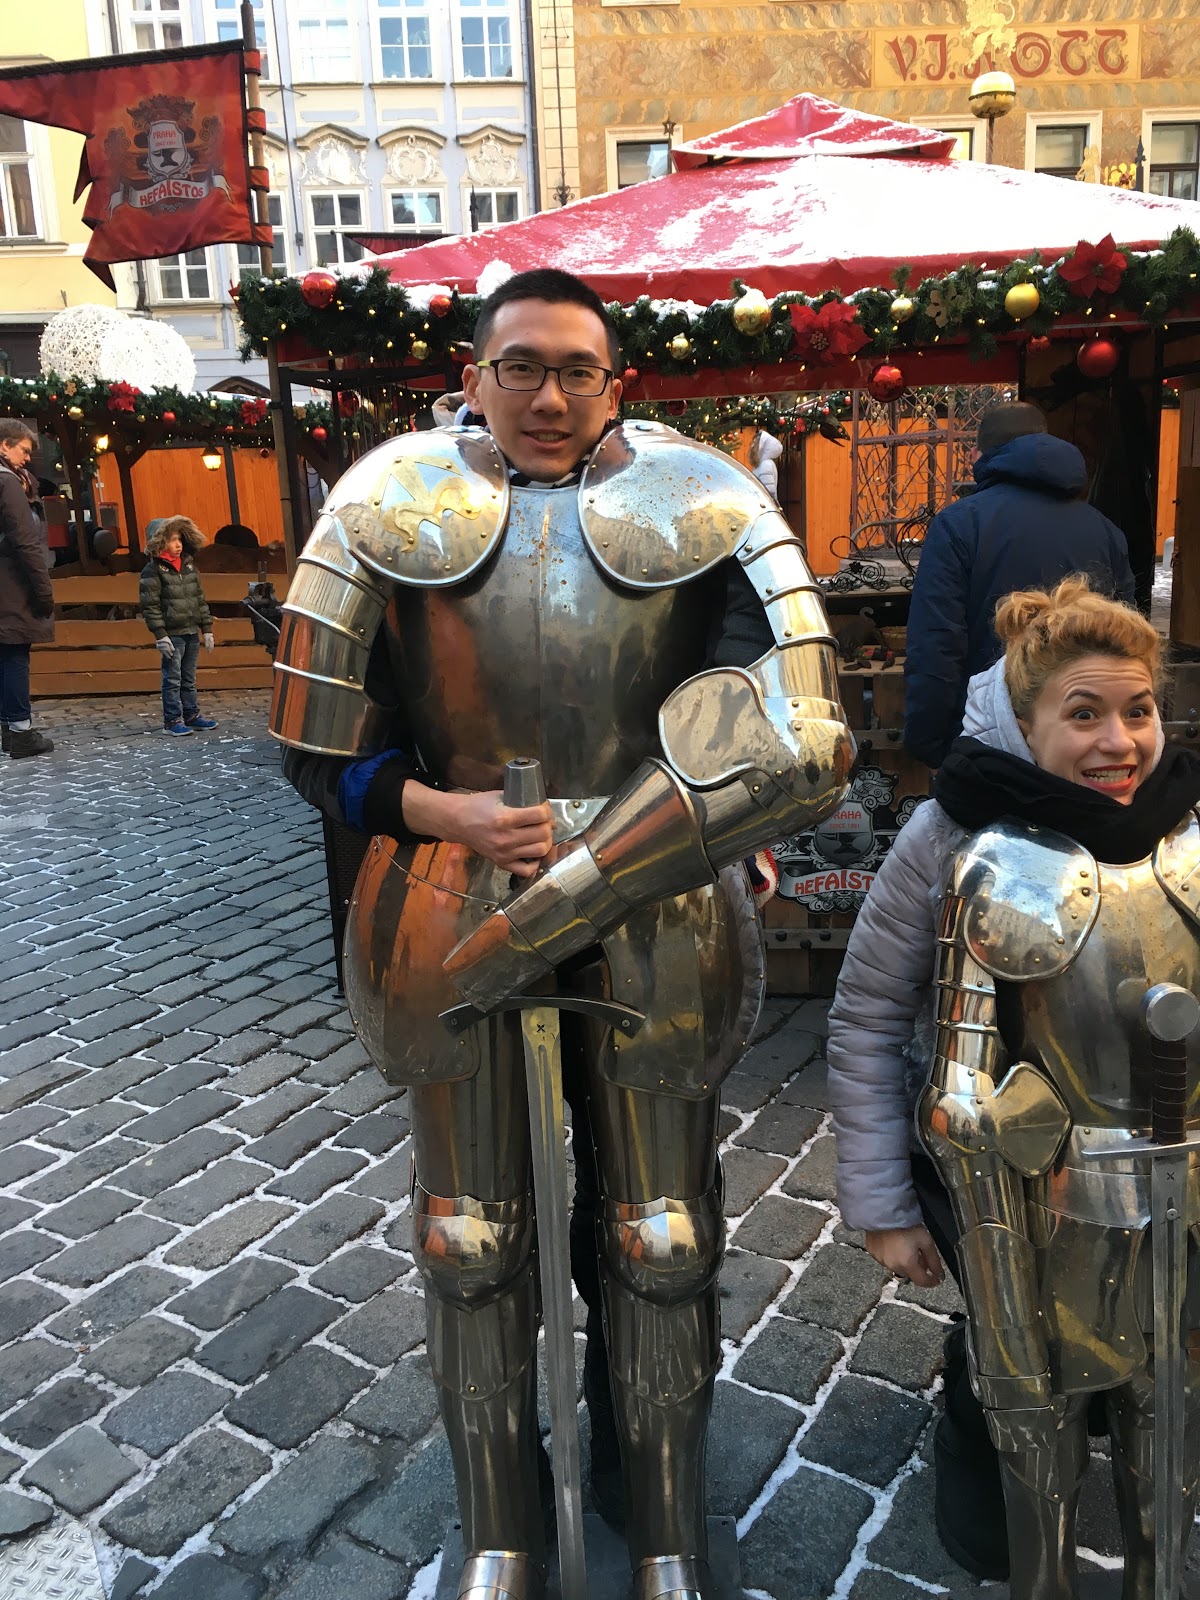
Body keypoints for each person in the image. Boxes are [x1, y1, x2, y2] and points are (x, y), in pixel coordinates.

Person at [272, 267, 853, 1600]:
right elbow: (316, 745)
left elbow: (801, 729)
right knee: (468, 1240)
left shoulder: (707, 501)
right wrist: (447, 811)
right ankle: (502, 1528)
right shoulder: (384, 500)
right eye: (520, 366)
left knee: (663, 1238)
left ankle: (663, 1527)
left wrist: (626, 858)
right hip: (451, 887)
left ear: (614, 382)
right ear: (475, 375)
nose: (546, 395)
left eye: (574, 369)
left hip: (658, 891)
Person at [828, 577, 1200, 1595]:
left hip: (1175, 1187)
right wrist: (883, 1204)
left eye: (1138, 711)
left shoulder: (1185, 825)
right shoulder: (958, 833)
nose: (1119, 741)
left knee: (1166, 1393)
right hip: (1012, 1191)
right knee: (1022, 1396)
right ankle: (973, 1438)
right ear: (1027, 725)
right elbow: (867, 1015)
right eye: (1084, 715)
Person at [903, 401, 1135, 769]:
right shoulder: (1105, 529)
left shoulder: (959, 524)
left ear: (979, 455)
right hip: (1080, 734)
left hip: (987, 735)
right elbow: (1125, 639)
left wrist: (928, 741)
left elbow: (936, 642)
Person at [0, 419, 54, 759]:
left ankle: (9, 729)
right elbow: (25, 541)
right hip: (12, 583)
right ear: (4, 445)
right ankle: (20, 731)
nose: (28, 458)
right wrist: (43, 590)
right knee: (16, 654)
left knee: (5, 656)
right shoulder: (7, 482)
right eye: (24, 450)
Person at [139, 516, 218, 736]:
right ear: (160, 542)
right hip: (173, 634)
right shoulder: (153, 571)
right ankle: (172, 719)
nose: (178, 544)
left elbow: (199, 598)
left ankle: (192, 714)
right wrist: (160, 635)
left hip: (191, 631)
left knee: (189, 678)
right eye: (172, 540)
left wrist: (207, 629)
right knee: (172, 679)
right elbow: (150, 605)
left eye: (179, 539)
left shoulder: (189, 566)